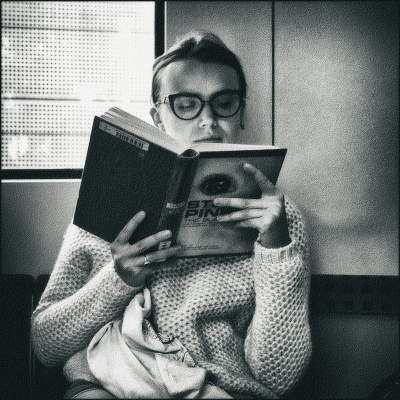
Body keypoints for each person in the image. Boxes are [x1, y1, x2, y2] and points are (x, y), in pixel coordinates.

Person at [32, 31, 312, 399]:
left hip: (215, 387)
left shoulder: (277, 219)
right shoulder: (107, 204)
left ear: (241, 111)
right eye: (186, 104)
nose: (208, 120)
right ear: (158, 116)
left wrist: (276, 250)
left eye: (224, 102)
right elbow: (45, 345)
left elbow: (278, 378)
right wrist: (117, 280)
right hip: (107, 382)